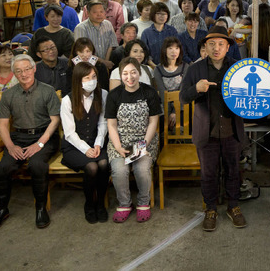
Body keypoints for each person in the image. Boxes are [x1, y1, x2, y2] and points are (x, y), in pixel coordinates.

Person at [180, 26, 247, 232]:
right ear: (205, 47)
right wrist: (196, 89)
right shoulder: (195, 69)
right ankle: (210, 209)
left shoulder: (238, 68)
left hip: (231, 130)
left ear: (227, 47)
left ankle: (233, 205)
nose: (216, 48)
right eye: (211, 44)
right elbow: (183, 97)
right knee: (208, 173)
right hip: (206, 131)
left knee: (233, 170)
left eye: (220, 44)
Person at [0, 54, 61, 232]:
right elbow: (3, 124)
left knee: (36, 164)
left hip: (44, 136)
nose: (24, 74)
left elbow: (55, 120)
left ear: (34, 69)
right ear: (14, 74)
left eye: (27, 69)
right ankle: (1, 209)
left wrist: (39, 144)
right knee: (2, 168)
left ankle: (41, 208)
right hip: (18, 137)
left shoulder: (47, 90)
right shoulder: (9, 95)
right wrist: (11, 146)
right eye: (18, 71)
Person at [106, 57, 162, 223]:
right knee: (119, 170)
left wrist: (143, 144)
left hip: (145, 141)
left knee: (142, 169)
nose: (129, 77)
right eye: (125, 73)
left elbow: (153, 121)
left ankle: (143, 202)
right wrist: (117, 146)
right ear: (120, 75)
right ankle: (124, 204)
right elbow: (111, 125)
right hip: (120, 142)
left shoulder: (149, 92)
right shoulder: (114, 95)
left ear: (139, 73)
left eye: (133, 72)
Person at [60, 62, 109, 223]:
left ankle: (101, 204)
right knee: (91, 166)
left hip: (96, 141)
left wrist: (98, 144)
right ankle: (89, 204)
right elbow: (69, 133)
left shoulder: (103, 94)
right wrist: (85, 149)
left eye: (94, 77)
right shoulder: (67, 100)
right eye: (87, 78)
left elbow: (103, 122)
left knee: (103, 164)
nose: (91, 80)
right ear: (78, 80)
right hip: (74, 146)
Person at [73, 0, 118, 69]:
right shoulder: (81, 28)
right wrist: (103, 62)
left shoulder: (108, 24)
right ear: (88, 13)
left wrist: (106, 61)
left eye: (101, 11)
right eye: (95, 12)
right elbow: (82, 52)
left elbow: (111, 45)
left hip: (107, 64)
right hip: (88, 65)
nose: (99, 14)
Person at [155, 37, 189, 125]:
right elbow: (163, 94)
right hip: (165, 106)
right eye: (170, 48)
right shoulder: (158, 69)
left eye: (176, 48)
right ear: (164, 50)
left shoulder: (185, 67)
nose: (174, 51)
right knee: (163, 121)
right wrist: (168, 113)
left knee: (181, 121)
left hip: (181, 105)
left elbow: (183, 91)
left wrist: (175, 112)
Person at [141, 1, 178, 65]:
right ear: (153, 14)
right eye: (159, 14)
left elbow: (177, 49)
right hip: (152, 67)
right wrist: (154, 67)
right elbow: (145, 54)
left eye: (164, 14)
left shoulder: (172, 31)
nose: (162, 16)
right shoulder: (146, 33)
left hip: (171, 66)